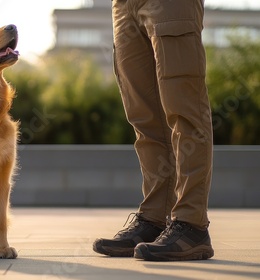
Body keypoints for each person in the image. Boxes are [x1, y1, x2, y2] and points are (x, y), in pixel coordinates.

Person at [92, 0, 214, 261]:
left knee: (186, 113)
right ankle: (154, 219)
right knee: (145, 121)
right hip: (123, 6)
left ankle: (191, 225)